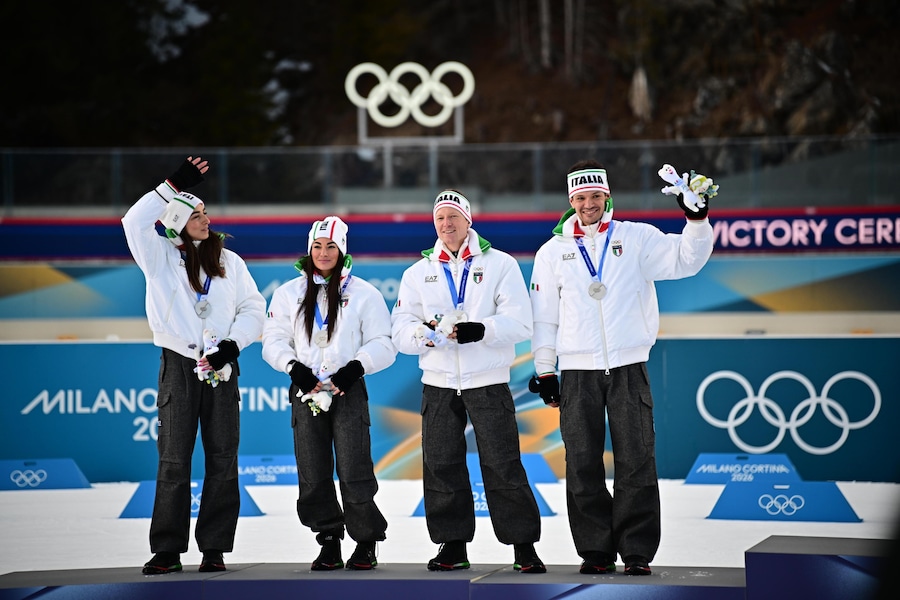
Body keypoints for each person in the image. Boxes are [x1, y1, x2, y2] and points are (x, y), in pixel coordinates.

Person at [528, 159, 715, 576]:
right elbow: (544, 317)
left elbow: (687, 259)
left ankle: (636, 551)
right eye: (580, 197)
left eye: (595, 196)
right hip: (577, 371)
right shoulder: (552, 252)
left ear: (607, 196)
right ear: (570, 200)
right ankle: (595, 550)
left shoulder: (636, 238)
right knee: (581, 461)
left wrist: (697, 218)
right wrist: (545, 370)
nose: (588, 204)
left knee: (636, 459)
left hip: (629, 365)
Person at [121, 156, 266, 575]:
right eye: (195, 214)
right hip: (179, 364)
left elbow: (254, 309)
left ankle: (214, 548)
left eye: (205, 212)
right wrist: (172, 184)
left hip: (222, 367)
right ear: (178, 221)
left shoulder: (231, 261)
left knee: (223, 458)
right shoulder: (158, 256)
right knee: (173, 458)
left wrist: (231, 347)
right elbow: (134, 222)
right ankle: (167, 549)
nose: (205, 219)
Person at [391, 190, 546, 574]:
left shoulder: (500, 265)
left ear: (468, 220)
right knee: (441, 464)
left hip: (488, 381)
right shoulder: (417, 273)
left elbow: (521, 322)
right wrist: (423, 337)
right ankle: (452, 544)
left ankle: (523, 547)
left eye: (453, 217)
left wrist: (481, 329)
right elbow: (400, 329)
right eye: (440, 218)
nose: (447, 225)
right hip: (439, 383)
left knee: (503, 463)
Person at [261, 216, 395, 571]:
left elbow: (385, 343)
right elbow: (272, 340)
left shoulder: (364, 293)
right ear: (309, 250)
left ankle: (365, 540)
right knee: (312, 468)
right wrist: (294, 368)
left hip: (347, 390)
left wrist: (355, 367)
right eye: (317, 246)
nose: (323, 253)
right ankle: (329, 539)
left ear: (342, 251)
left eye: (331, 247)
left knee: (354, 467)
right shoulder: (288, 292)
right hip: (306, 390)